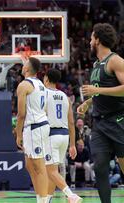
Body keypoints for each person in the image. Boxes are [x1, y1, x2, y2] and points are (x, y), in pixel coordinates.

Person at [79, 23, 124, 203]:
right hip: (99, 124)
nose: (90, 41)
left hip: (118, 120)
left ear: (97, 39)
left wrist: (96, 92)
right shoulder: (97, 64)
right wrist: (88, 102)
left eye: (91, 38)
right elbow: (100, 89)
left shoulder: (115, 60)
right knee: (99, 167)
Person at [43, 68, 82, 203]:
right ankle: (46, 200)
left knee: (52, 171)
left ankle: (71, 195)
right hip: (64, 136)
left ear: (46, 78)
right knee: (52, 172)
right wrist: (72, 144)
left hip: (51, 135)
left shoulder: (43, 94)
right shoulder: (65, 96)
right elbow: (71, 122)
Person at [15, 56, 49, 203]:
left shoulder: (23, 85)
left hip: (35, 127)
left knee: (39, 168)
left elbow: (21, 114)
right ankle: (39, 198)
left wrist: (18, 133)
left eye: (25, 64)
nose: (22, 66)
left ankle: (44, 200)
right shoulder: (40, 83)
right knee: (30, 166)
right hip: (36, 127)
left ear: (27, 68)